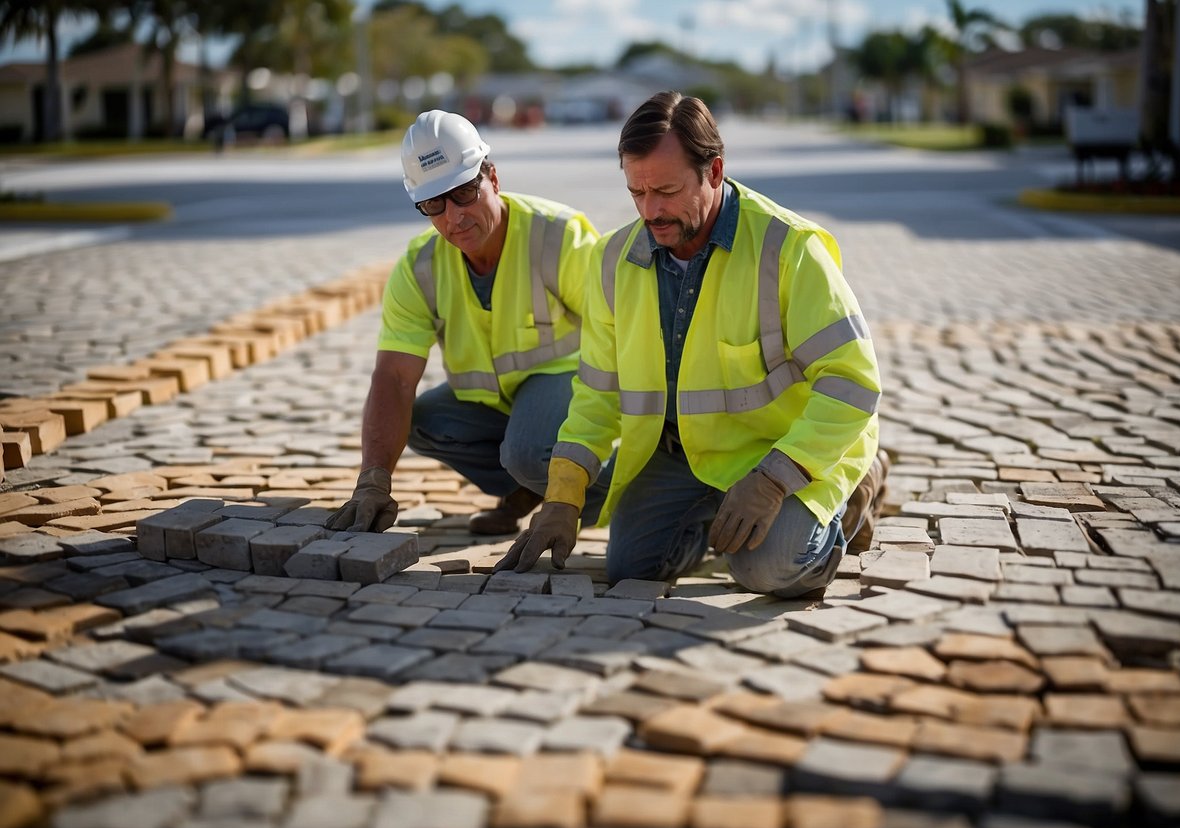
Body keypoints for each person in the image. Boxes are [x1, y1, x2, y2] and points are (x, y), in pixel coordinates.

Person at [497, 91, 888, 597]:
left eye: (666, 190)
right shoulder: (612, 260)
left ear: (716, 171)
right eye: (637, 192)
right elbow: (596, 393)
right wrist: (562, 500)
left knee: (768, 571)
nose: (650, 211)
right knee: (631, 570)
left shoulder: (788, 248)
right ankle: (719, 522)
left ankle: (858, 487)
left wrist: (771, 481)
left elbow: (853, 383)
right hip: (682, 457)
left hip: (782, 453)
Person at [326, 110, 610, 535]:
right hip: (499, 401)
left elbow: (624, 341)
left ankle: (629, 498)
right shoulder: (420, 268)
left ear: (492, 178)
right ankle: (530, 486)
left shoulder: (558, 237)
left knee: (527, 451)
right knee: (422, 423)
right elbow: (394, 379)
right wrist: (373, 479)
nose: (453, 217)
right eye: (433, 205)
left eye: (463, 193)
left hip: (570, 384)